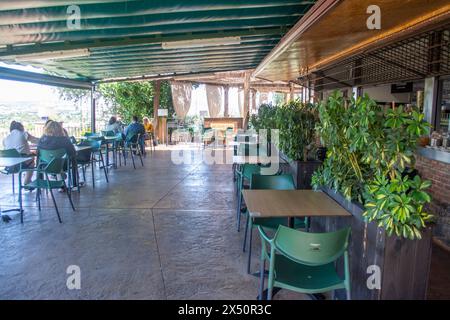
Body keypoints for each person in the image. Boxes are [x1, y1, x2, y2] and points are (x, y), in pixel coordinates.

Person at [38, 120, 77, 189]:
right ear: (60, 129)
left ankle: (41, 183)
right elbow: (73, 153)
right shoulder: (64, 140)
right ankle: (74, 184)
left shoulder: (41, 140)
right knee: (71, 160)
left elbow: (38, 155)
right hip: (63, 166)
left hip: (45, 166)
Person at [2, 121, 38, 185]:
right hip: (21, 165)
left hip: (9, 166)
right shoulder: (23, 134)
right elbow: (36, 141)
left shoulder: (5, 139)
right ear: (21, 127)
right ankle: (27, 181)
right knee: (32, 160)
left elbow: (11, 151)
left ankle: (26, 181)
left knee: (28, 157)